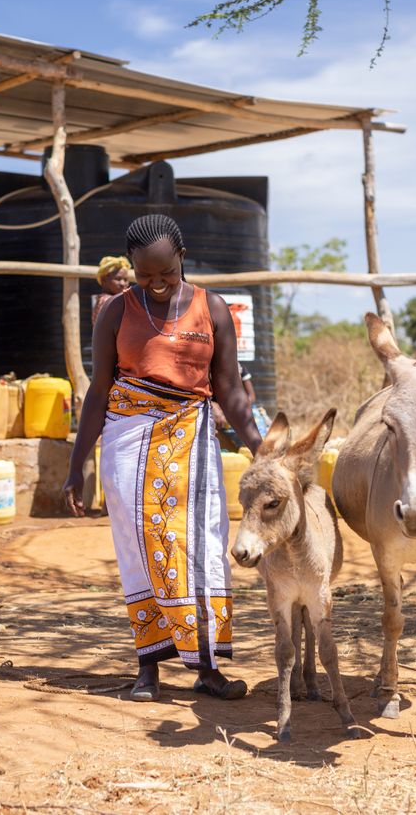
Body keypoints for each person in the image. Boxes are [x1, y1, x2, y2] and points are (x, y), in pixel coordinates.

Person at [63, 214, 262, 702]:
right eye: (144, 275)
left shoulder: (210, 308)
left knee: (198, 545)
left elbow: (231, 390)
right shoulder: (115, 311)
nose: (154, 284)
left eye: (165, 274)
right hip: (126, 439)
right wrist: (77, 466)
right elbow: (98, 392)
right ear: (130, 266)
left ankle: (208, 667)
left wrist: (263, 449)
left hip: (191, 438)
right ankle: (148, 667)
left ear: (182, 258)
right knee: (139, 549)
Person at [92, 255, 132, 326]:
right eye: (118, 279)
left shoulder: (107, 299)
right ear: (104, 280)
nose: (123, 284)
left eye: (125, 280)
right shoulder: (108, 301)